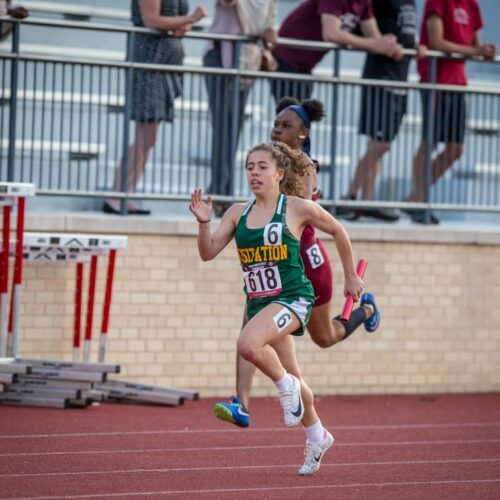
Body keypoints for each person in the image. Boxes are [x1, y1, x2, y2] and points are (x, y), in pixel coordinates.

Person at [189, 141, 365, 475]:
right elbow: (208, 252)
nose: (254, 172)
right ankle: (317, 434)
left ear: (279, 174)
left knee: (246, 344)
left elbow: (339, 230)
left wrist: (350, 278)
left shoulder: (297, 208)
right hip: (262, 304)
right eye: (249, 167)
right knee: (297, 379)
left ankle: (284, 389)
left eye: (262, 166)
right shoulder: (237, 213)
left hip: (294, 298)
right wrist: (203, 223)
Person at [213, 97, 380, 429]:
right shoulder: (267, 164)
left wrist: (350, 274)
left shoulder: (303, 168)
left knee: (325, 337)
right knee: (249, 326)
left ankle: (368, 310)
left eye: (286, 126)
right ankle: (242, 403)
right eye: (276, 124)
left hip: (305, 264)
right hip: (276, 266)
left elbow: (304, 215)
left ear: (303, 133)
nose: (277, 130)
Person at [103, 0, 207, 215]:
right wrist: (191, 19)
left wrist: (182, 23)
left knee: (150, 137)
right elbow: (152, 19)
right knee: (145, 133)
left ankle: (127, 193)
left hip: (165, 63)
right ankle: (116, 194)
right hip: (149, 60)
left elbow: (175, 24)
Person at [404, 0, 496, 224]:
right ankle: (419, 201)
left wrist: (484, 51)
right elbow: (436, 41)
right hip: (436, 79)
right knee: (430, 141)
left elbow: (475, 44)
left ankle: (415, 198)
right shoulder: (438, 2)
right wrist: (474, 50)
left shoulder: (471, 5)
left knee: (456, 148)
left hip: (457, 83)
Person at [340, 0, 425, 222]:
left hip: (400, 79)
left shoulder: (411, 3)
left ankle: (367, 201)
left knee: (378, 145)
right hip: (381, 78)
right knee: (381, 145)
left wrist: (415, 46)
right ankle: (348, 196)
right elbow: (364, 27)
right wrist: (383, 43)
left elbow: (403, 32)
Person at [203, 0, 278, 217]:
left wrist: (265, 36)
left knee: (233, 128)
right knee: (223, 126)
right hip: (220, 57)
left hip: (247, 61)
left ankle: (222, 194)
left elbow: (271, 30)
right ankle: (219, 194)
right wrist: (262, 32)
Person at [270, 0, 403, 103]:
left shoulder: (363, 2)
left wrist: (391, 46)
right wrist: (375, 44)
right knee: (293, 120)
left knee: (301, 121)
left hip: (304, 66)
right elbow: (331, 33)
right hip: (286, 59)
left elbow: (375, 38)